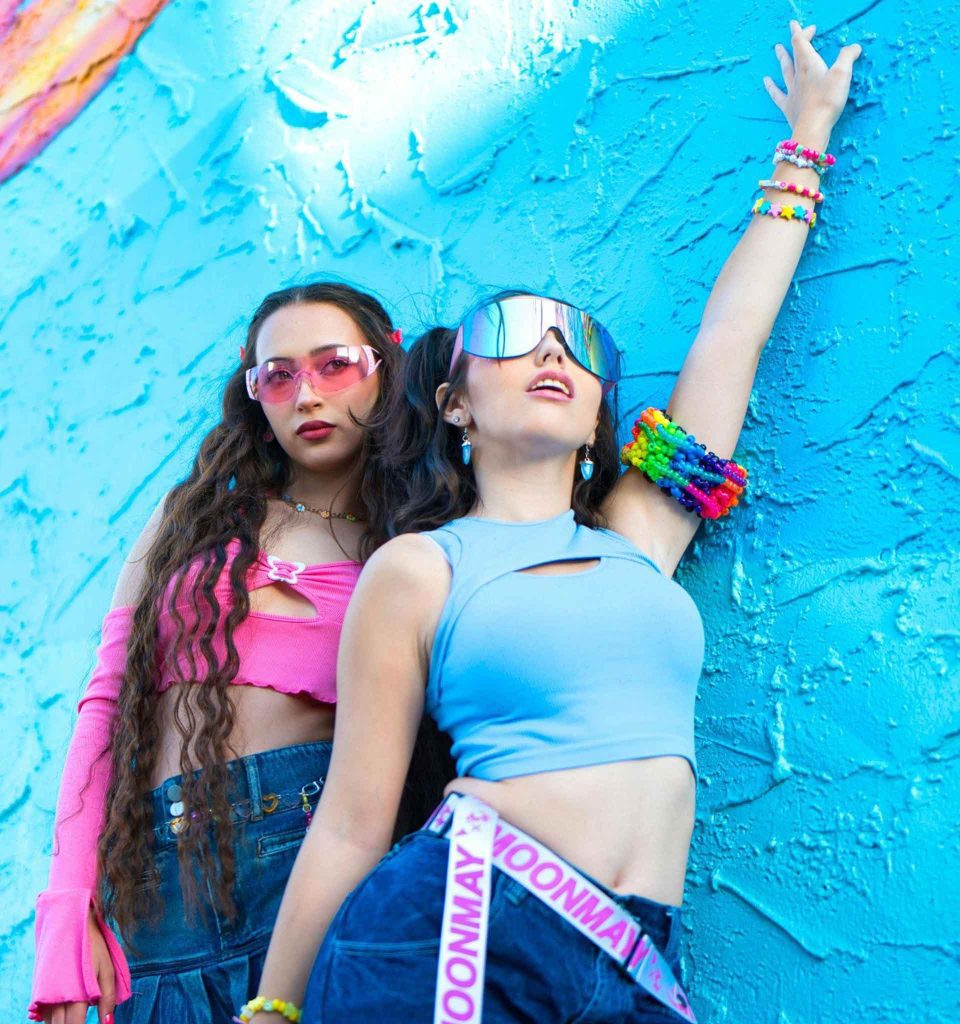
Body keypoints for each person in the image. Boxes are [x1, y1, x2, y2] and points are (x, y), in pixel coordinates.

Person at [245, 21, 862, 1023]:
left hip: (635, 957)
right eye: (511, 333)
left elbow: (731, 337)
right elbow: (352, 825)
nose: (551, 352)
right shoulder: (419, 570)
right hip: (459, 921)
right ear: (454, 404)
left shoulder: (637, 537)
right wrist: (272, 1011)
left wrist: (807, 143)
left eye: (578, 343)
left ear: (597, 411)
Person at [28, 282, 427, 1024]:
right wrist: (69, 908)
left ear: (384, 367)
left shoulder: (414, 544)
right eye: (278, 376)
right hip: (157, 885)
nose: (307, 394)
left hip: (315, 862)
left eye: (334, 365)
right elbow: (106, 701)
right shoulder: (193, 517)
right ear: (254, 396)